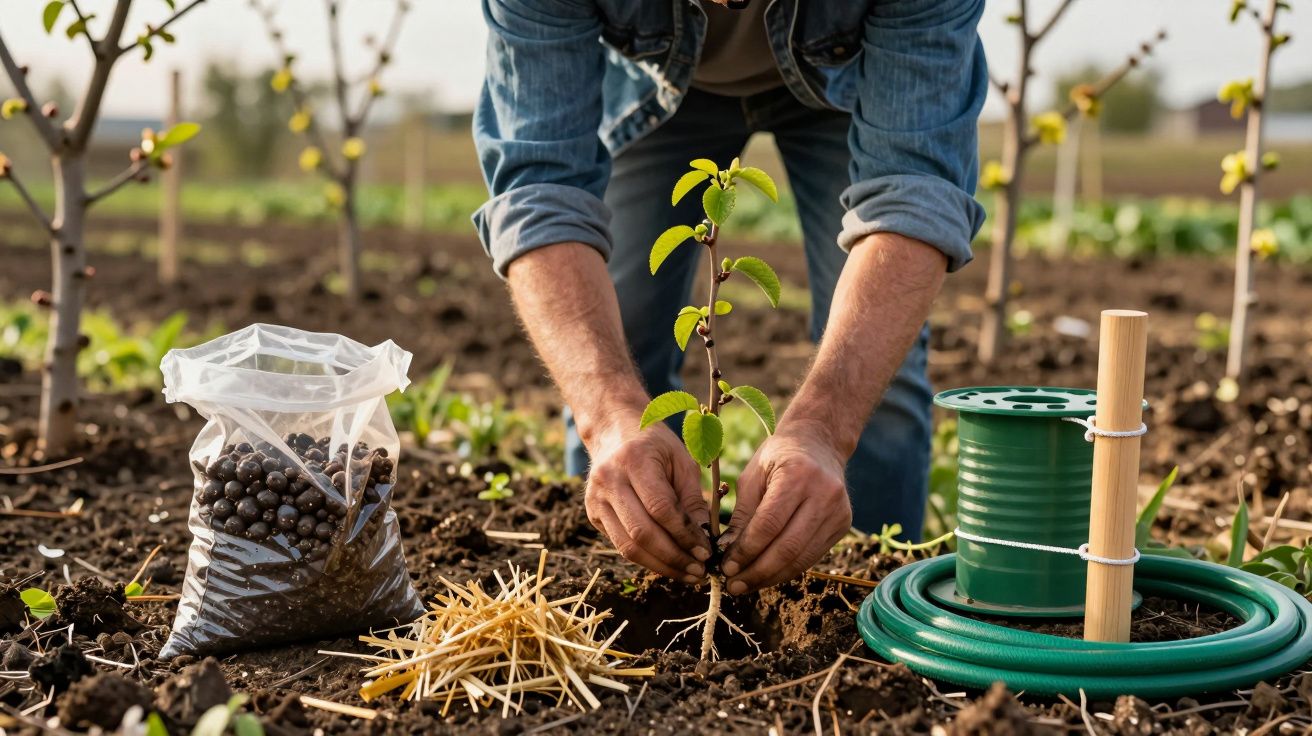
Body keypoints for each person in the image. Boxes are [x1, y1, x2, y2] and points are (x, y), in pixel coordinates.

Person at [472, 0, 986, 596]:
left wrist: (824, 428)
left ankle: (865, 612)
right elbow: (540, 188)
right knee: (616, 361)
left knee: (877, 381)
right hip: (654, 87)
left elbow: (914, 195)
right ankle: (621, 602)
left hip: (852, 80)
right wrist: (607, 417)